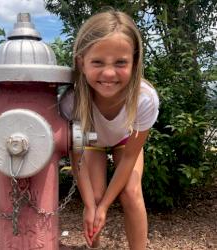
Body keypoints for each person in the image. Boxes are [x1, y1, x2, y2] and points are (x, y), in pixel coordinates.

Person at [70, 10, 159, 249]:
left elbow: (130, 156)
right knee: (95, 196)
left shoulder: (145, 99)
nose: (109, 73)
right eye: (97, 62)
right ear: (81, 62)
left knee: (130, 192)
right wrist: (93, 205)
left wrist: (106, 206)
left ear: (135, 61)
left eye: (121, 62)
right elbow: (75, 157)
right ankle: (94, 246)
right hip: (90, 142)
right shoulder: (72, 101)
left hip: (123, 140)